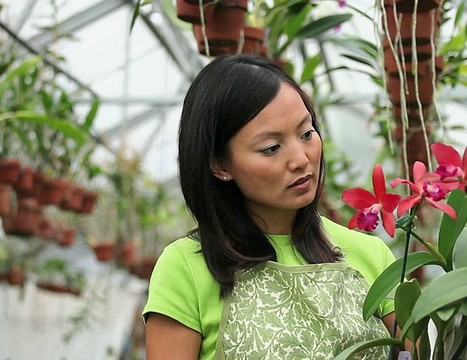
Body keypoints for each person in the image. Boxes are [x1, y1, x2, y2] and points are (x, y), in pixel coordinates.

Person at [143, 54, 404, 359]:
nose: (300, 159)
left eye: (307, 133)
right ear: (220, 164)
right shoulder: (185, 267)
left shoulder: (371, 254)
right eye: (271, 148)